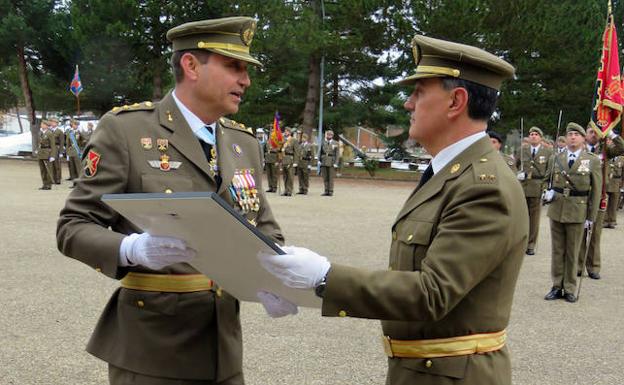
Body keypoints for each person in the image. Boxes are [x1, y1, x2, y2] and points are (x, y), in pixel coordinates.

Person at [260, 35, 527, 385]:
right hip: (427, 370)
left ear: (456, 101)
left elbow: (432, 293)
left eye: (419, 92)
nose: (407, 103)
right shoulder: (450, 172)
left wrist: (324, 276)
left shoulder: (482, 186)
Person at [57, 16, 284, 385]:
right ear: (191, 65)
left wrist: (278, 275)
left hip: (223, 350)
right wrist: (132, 249)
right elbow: (72, 227)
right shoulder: (127, 131)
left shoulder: (244, 144)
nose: (246, 80)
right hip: (152, 351)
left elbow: (265, 227)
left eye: (246, 69)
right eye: (234, 67)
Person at [542, 123, 601, 302]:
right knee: (557, 250)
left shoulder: (591, 160)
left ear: (583, 138)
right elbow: (547, 180)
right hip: (557, 208)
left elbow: (596, 191)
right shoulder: (556, 158)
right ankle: (556, 285)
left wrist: (591, 217)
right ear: (566, 138)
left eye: (576, 134)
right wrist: (547, 191)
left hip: (578, 209)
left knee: (572, 251)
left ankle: (569, 287)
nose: (573, 137)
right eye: (570, 134)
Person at [575, 127, 624, 278]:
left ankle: (593, 267)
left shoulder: (605, 150)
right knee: (580, 232)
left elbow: (622, 147)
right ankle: (578, 265)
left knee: (595, 233)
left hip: (600, 196)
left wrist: (610, 133)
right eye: (591, 131)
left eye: (597, 132)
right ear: (585, 135)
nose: (594, 134)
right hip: (581, 195)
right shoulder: (580, 151)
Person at [516, 126, 553, 255]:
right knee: (522, 216)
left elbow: (550, 171)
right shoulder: (522, 150)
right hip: (523, 185)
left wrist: (546, 188)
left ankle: (531, 244)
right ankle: (521, 241)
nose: (533, 136)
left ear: (540, 138)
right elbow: (515, 165)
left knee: (534, 218)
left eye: (536, 134)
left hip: (538, 186)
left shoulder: (548, 152)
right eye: (531, 134)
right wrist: (517, 174)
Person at [605, 153, 623, 228]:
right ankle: (604, 220)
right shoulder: (606, 157)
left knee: (614, 203)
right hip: (606, 181)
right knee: (604, 202)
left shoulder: (622, 159)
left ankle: (612, 220)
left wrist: (622, 183)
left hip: (616, 182)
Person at [36, 120, 56, 190]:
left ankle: (48, 185)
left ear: (46, 125)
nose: (41, 125)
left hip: (47, 153)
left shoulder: (50, 133)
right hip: (41, 153)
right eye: (41, 124)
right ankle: (44, 184)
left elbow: (53, 145)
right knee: (42, 170)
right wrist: (37, 150)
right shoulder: (40, 132)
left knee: (48, 170)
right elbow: (38, 143)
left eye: (42, 124)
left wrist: (53, 156)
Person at [319, 130, 338, 196]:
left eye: (330, 135)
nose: (328, 136)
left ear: (332, 136)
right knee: (325, 177)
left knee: (330, 177)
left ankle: (330, 191)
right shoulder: (323, 142)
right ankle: (326, 190)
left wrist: (336, 163)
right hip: (324, 161)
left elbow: (337, 154)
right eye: (327, 135)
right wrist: (319, 160)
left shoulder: (335, 143)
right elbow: (320, 151)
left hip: (331, 161)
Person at [280, 127, 298, 196]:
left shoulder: (294, 140)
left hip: (290, 159)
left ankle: (290, 190)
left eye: (287, 131)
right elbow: (281, 150)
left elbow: (297, 152)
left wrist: (295, 162)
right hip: (284, 159)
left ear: (290, 132)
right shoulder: (283, 140)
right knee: (285, 176)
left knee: (290, 176)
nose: (286, 132)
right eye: (285, 131)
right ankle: (286, 190)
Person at [65, 119, 83, 185]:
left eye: (77, 125)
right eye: (74, 124)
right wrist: (67, 153)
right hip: (71, 152)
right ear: (72, 125)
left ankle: (80, 184)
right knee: (72, 169)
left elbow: (83, 142)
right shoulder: (70, 132)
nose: (75, 126)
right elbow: (67, 143)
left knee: (78, 168)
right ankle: (74, 183)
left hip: (77, 152)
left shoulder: (79, 132)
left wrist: (81, 150)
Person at [49, 117, 64, 184]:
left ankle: (58, 179)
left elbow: (62, 142)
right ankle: (52, 178)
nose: (52, 123)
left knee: (57, 164)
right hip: (50, 148)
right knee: (51, 164)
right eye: (52, 122)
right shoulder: (49, 131)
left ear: (57, 124)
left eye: (54, 122)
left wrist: (61, 152)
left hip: (56, 148)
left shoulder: (59, 131)